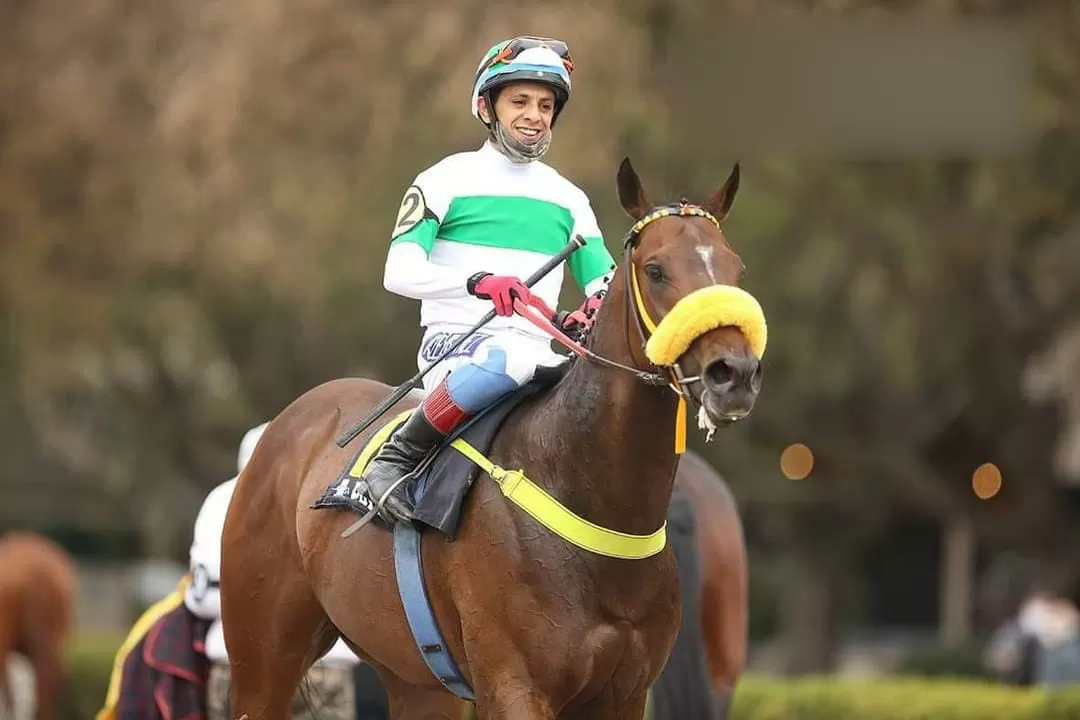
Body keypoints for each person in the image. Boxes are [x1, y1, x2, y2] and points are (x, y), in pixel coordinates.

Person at [363, 36, 617, 522]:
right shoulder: (443, 179)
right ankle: (397, 455)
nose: (534, 115)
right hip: (458, 347)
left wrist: (593, 308)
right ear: (487, 106)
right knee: (509, 357)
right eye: (520, 101)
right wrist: (478, 282)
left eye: (545, 105)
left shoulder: (569, 199)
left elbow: (602, 282)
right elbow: (398, 272)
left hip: (540, 353)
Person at [99, 422, 366, 720]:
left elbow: (202, 597)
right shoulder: (337, 494)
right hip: (326, 668)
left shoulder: (222, 500)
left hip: (241, 667)